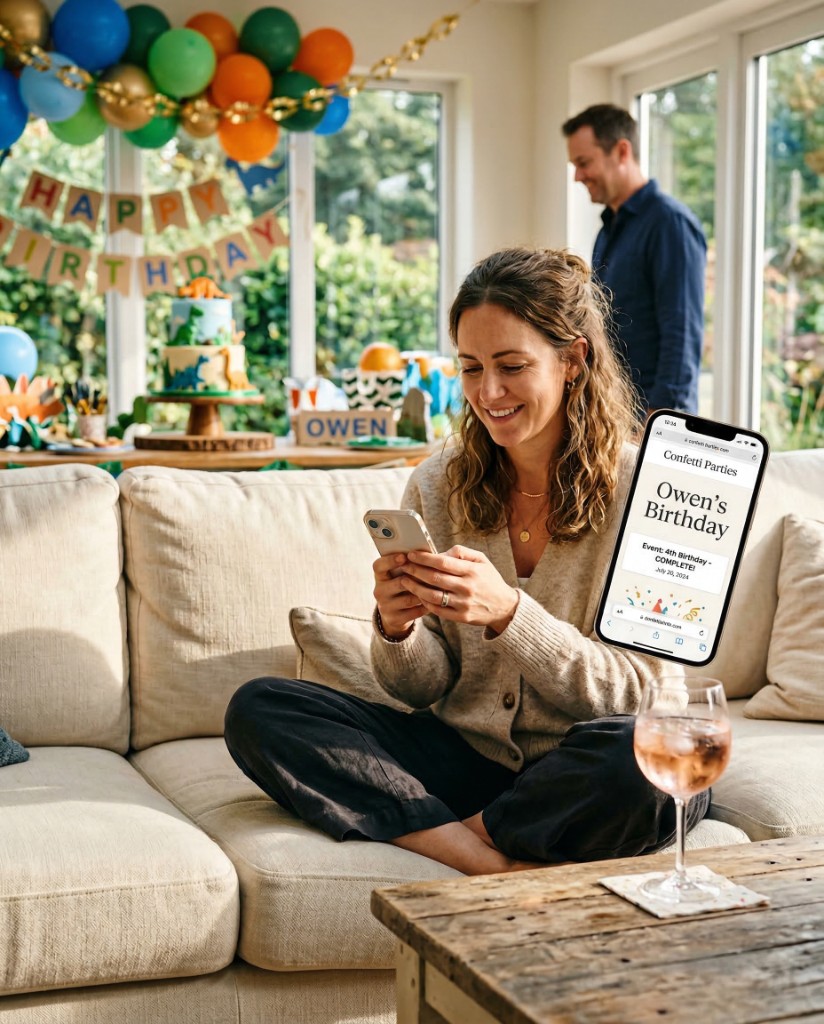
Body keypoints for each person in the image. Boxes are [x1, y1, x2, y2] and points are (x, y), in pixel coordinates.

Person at [224, 247, 709, 876]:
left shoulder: (658, 493)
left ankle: (448, 835)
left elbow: (639, 695)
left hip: (585, 760)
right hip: (465, 757)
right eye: (472, 368)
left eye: (512, 366)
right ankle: (491, 859)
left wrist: (511, 615)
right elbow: (422, 689)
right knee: (262, 708)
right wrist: (396, 630)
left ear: (573, 359)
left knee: (653, 760)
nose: (489, 392)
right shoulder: (439, 483)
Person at [562, 104, 707, 416]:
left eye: (584, 163)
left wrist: (660, 423)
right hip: (613, 413)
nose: (577, 176)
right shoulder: (607, 231)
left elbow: (680, 335)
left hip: (652, 421)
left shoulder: (670, 224)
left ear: (621, 151)